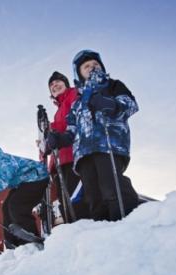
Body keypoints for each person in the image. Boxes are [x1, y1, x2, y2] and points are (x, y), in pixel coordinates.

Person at [46, 49, 139, 221]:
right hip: (84, 153)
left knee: (111, 186)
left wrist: (110, 104)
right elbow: (72, 129)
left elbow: (130, 105)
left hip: (108, 143)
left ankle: (129, 222)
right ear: (79, 72)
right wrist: (59, 138)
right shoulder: (79, 101)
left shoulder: (111, 85)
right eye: (86, 66)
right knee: (93, 196)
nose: (92, 68)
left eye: (95, 64)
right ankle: (101, 232)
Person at [47, 71, 91, 221]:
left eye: (58, 82)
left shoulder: (74, 94)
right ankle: (72, 235)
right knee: (65, 202)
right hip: (61, 161)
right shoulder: (57, 111)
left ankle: (85, 230)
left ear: (66, 83)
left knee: (76, 199)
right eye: (51, 85)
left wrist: (51, 129)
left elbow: (75, 119)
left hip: (75, 157)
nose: (54, 85)